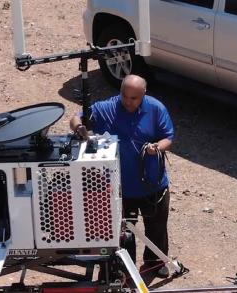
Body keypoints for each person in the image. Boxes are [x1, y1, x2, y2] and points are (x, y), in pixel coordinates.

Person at [69, 75, 175, 278]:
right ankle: (124, 269)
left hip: (152, 184)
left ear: (144, 94)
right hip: (119, 188)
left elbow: (168, 137)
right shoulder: (105, 108)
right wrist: (78, 127)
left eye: (134, 98)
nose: (128, 101)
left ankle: (154, 264)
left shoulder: (156, 108)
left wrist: (156, 147)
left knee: (156, 226)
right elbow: (77, 117)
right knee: (122, 231)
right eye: (124, 95)